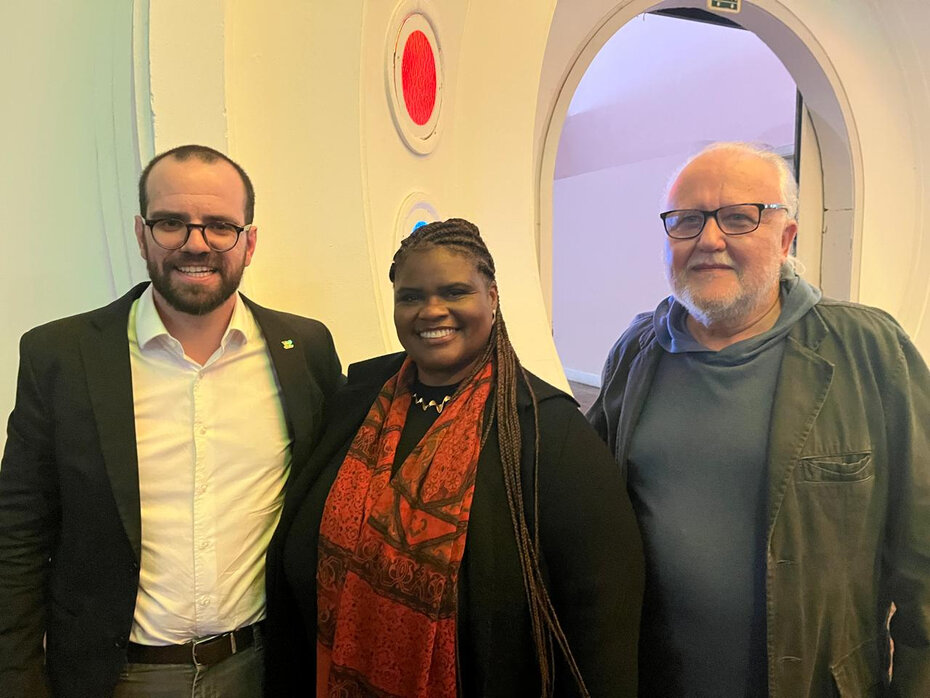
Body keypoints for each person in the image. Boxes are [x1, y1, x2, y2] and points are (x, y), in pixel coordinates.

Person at [587, 141, 930, 696]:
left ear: (787, 238)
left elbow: (924, 556)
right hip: (655, 680)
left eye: (740, 219)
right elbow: (588, 511)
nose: (709, 240)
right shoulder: (636, 352)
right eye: (687, 221)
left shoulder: (868, 350)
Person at [0, 145, 342, 697]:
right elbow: (17, 533)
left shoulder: (305, 349)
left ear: (249, 242)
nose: (195, 244)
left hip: (263, 667)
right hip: (117, 676)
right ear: (141, 234)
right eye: (171, 223)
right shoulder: (59, 356)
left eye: (219, 226)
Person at [264, 218, 644, 697]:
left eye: (455, 291)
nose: (431, 310)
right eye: (411, 296)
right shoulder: (357, 401)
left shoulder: (549, 432)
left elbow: (603, 618)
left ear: (492, 296)